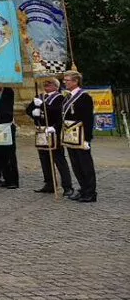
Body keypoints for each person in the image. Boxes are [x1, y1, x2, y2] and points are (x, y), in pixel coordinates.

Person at [26, 77, 74, 197]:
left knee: (58, 158)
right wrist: (34, 113)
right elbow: (28, 109)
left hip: (53, 130)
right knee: (44, 158)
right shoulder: (40, 97)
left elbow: (56, 112)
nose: (46, 86)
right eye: (45, 84)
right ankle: (49, 183)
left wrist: (43, 106)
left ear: (56, 86)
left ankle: (67, 186)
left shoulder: (60, 98)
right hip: (41, 130)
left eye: (49, 84)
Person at [60, 71, 96, 202]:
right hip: (70, 135)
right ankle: (83, 188)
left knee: (85, 164)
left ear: (75, 81)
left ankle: (90, 192)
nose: (65, 82)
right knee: (76, 164)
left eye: (68, 80)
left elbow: (88, 119)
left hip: (81, 135)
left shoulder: (84, 97)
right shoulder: (67, 97)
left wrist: (87, 139)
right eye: (65, 80)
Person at [0, 84, 18, 189]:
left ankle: (13, 181)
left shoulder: (8, 91)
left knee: (9, 155)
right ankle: (6, 178)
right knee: (0, 155)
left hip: (6, 126)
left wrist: (3, 86)